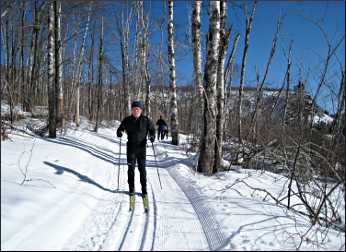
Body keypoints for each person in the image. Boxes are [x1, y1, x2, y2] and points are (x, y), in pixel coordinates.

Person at [116, 100, 155, 211]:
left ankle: (144, 189)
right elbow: (121, 128)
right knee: (131, 169)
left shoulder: (146, 120)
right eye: (134, 109)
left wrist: (152, 137)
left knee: (142, 170)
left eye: (137, 109)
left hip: (142, 149)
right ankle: (131, 189)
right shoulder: (127, 120)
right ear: (132, 110)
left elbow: (152, 130)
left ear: (141, 110)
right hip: (131, 148)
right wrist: (119, 132)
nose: (135, 110)